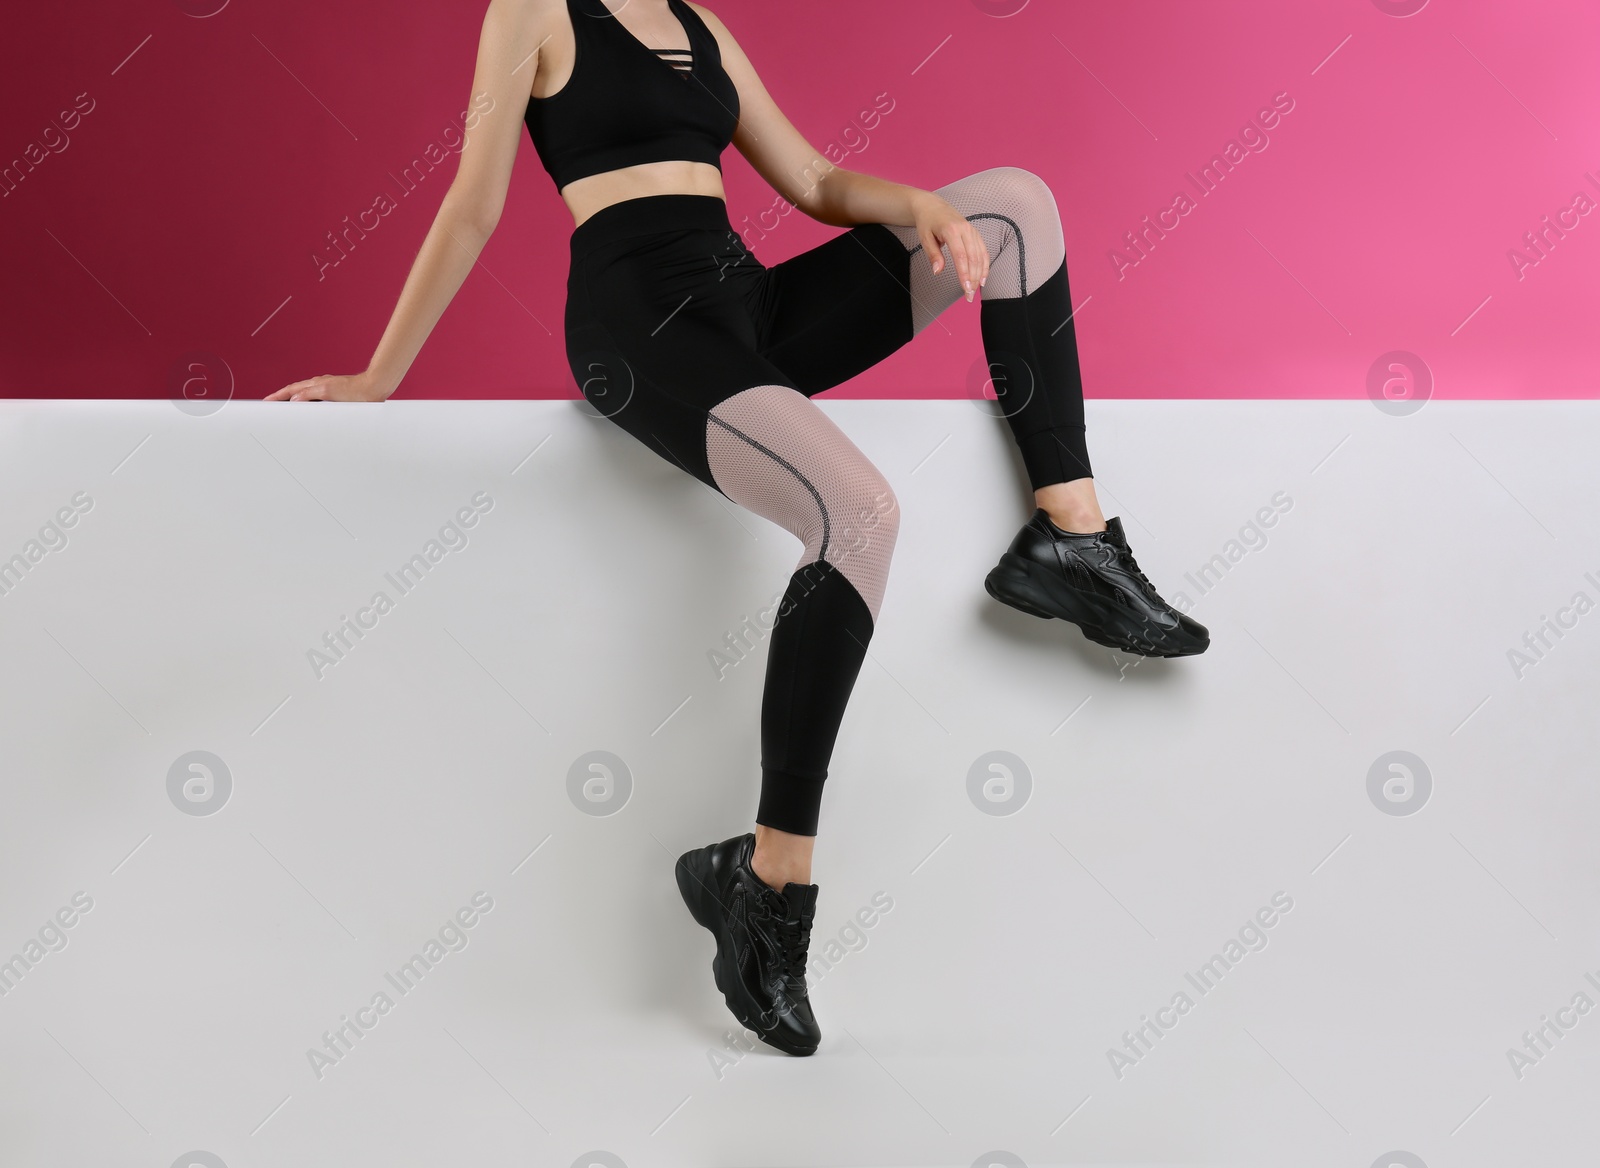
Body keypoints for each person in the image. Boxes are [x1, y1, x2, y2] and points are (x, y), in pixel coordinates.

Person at [267, 0, 1208, 1057]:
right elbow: (472, 206)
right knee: (859, 511)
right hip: (638, 321)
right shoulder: (531, 10)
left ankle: (1067, 538)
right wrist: (377, 377)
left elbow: (810, 184)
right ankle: (767, 879)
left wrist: (914, 205)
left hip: (743, 306)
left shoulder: (700, 24)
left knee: (1011, 207)